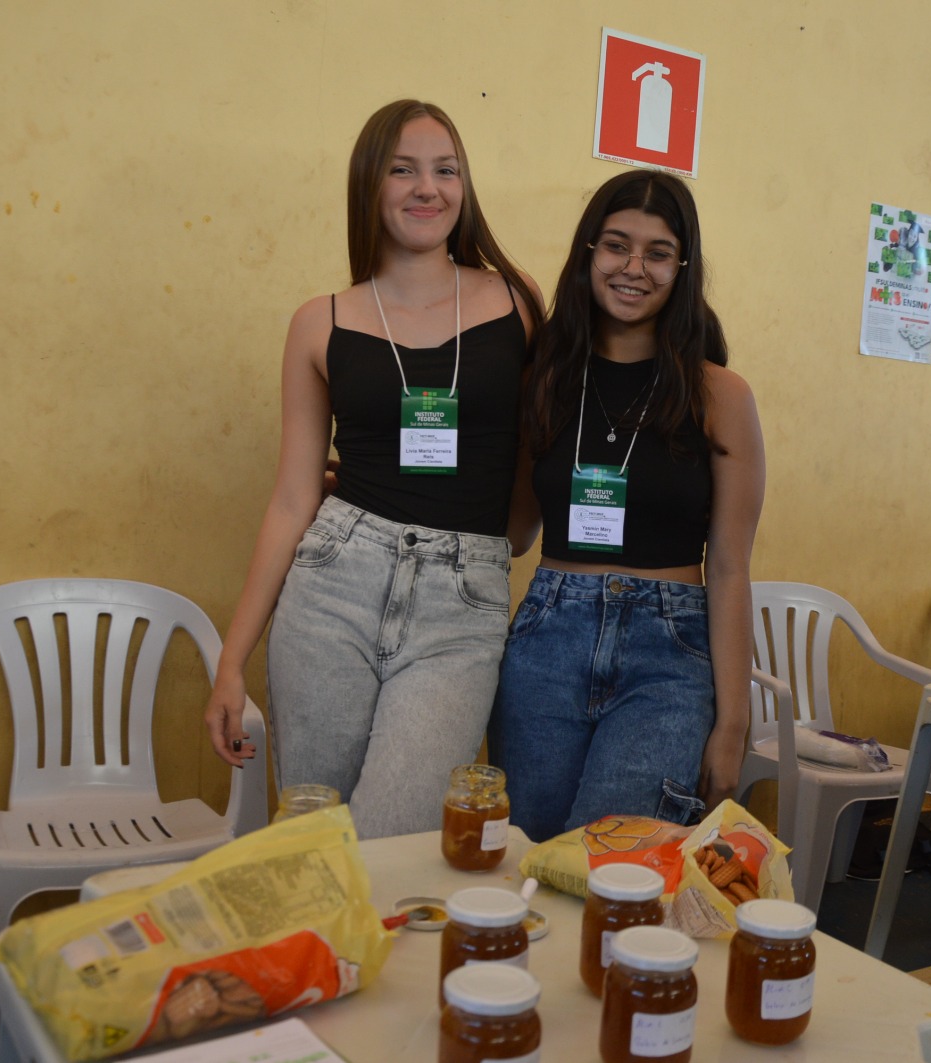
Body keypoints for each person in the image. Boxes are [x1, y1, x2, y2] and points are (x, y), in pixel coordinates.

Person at [202, 100, 542, 839]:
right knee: (313, 836)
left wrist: (512, 533)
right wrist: (231, 662)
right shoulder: (319, 322)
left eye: (446, 170)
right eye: (403, 170)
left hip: (461, 604)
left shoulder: (515, 303)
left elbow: (534, 446)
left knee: (395, 839)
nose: (428, 188)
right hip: (335, 585)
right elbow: (293, 498)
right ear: (369, 184)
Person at [490, 170, 766, 842]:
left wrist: (733, 725)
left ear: (682, 268)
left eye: (658, 252)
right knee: (531, 855)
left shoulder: (720, 395)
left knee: (614, 867)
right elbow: (514, 531)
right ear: (589, 252)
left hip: (668, 655)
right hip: (548, 639)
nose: (633, 268)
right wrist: (378, 486)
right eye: (616, 245)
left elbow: (731, 567)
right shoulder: (544, 380)